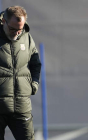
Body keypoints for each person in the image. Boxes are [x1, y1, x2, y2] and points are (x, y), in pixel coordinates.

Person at [0, 6, 41, 140]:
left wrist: (34, 84)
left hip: (21, 107)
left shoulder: (27, 38)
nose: (17, 33)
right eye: (13, 29)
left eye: (20, 29)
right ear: (4, 21)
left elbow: (36, 64)